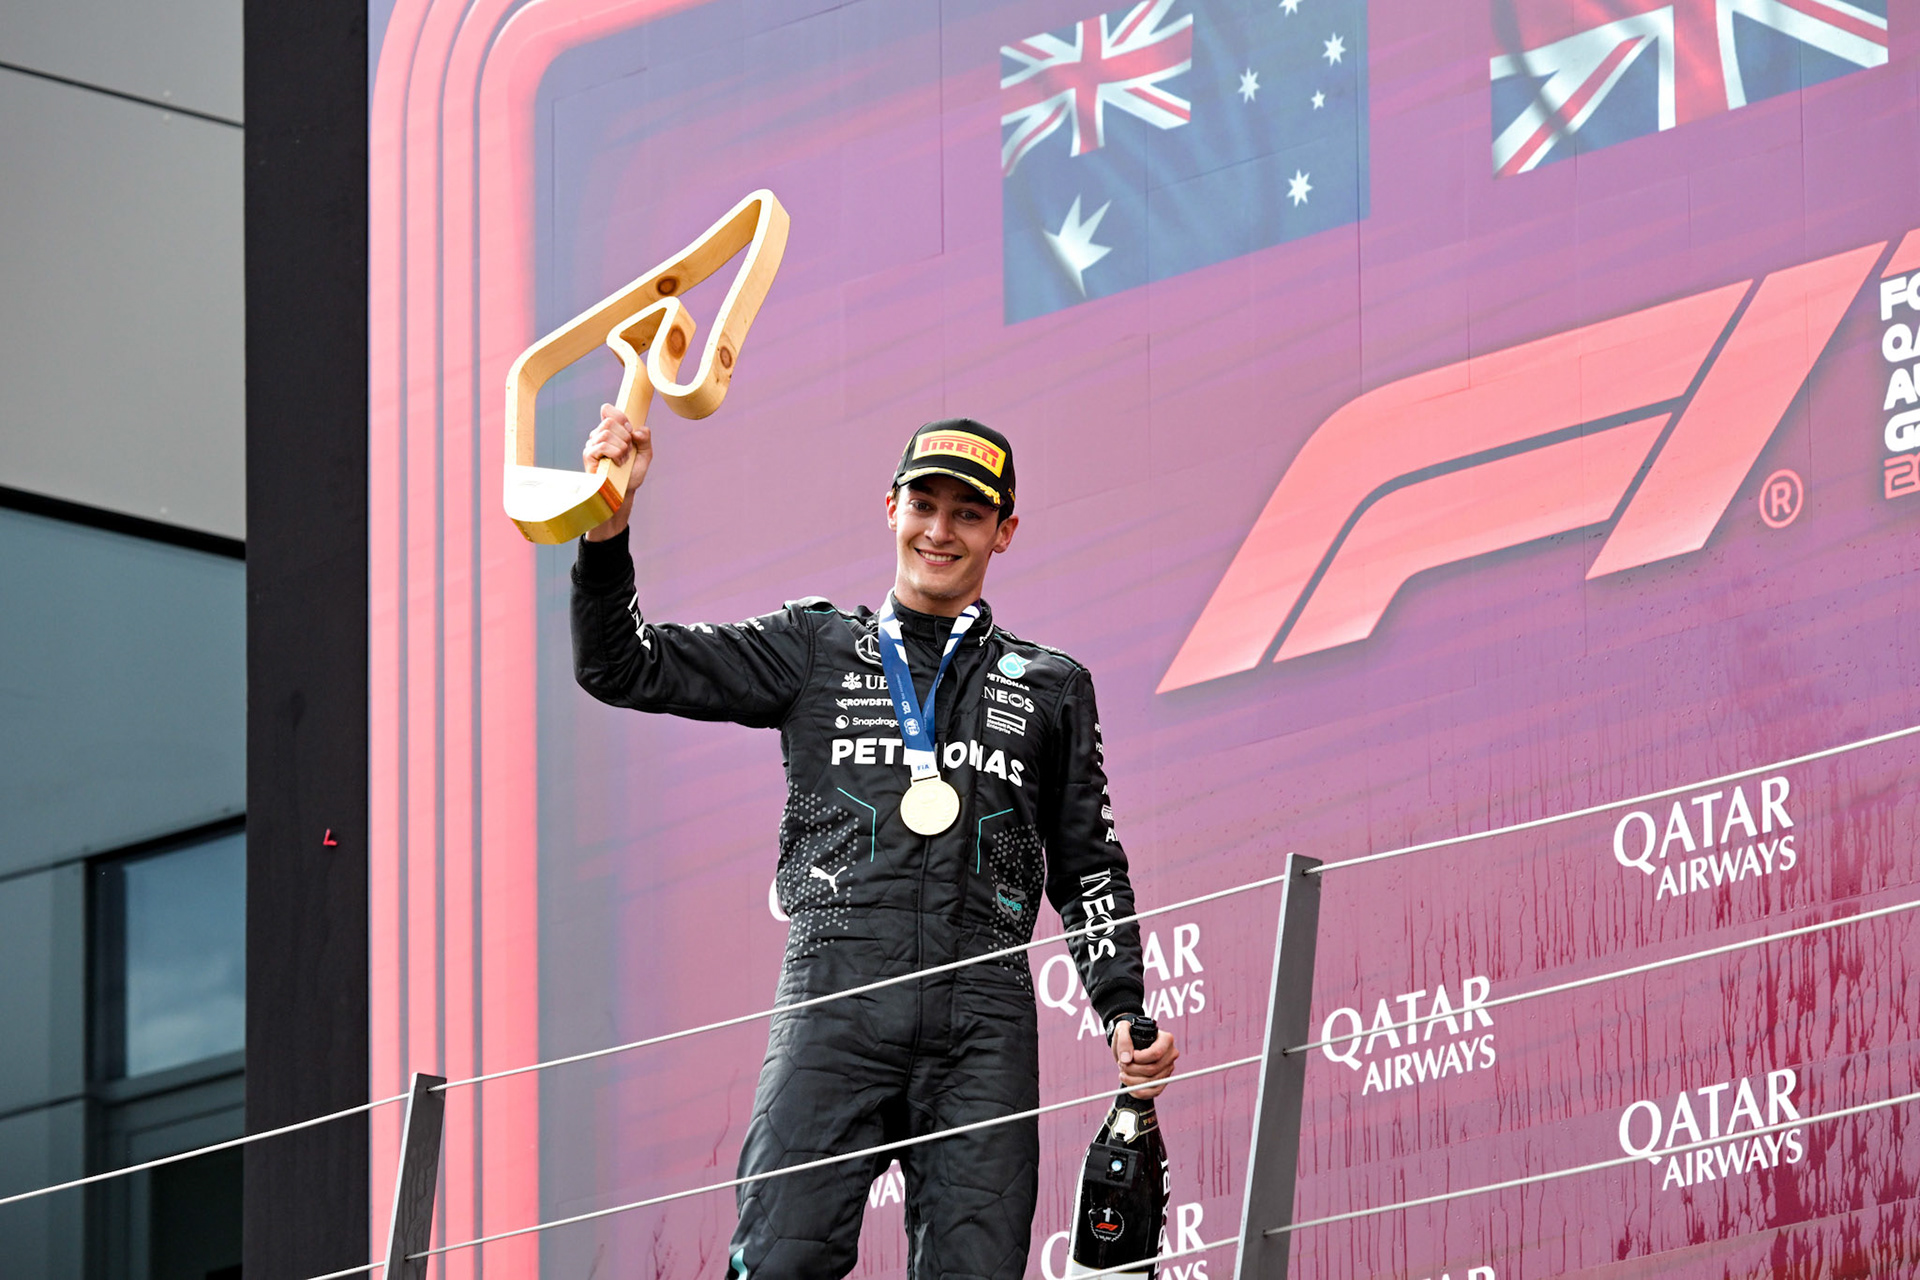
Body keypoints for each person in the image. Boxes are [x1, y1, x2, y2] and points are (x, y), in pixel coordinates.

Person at [572, 407, 1178, 1279]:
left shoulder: (1051, 686)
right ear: (888, 508)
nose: (941, 531)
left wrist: (1121, 1005)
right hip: (836, 999)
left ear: (1004, 532)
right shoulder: (815, 647)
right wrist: (607, 530)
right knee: (779, 1265)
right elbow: (620, 665)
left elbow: (1088, 868)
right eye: (924, 505)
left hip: (984, 1020)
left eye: (968, 514)